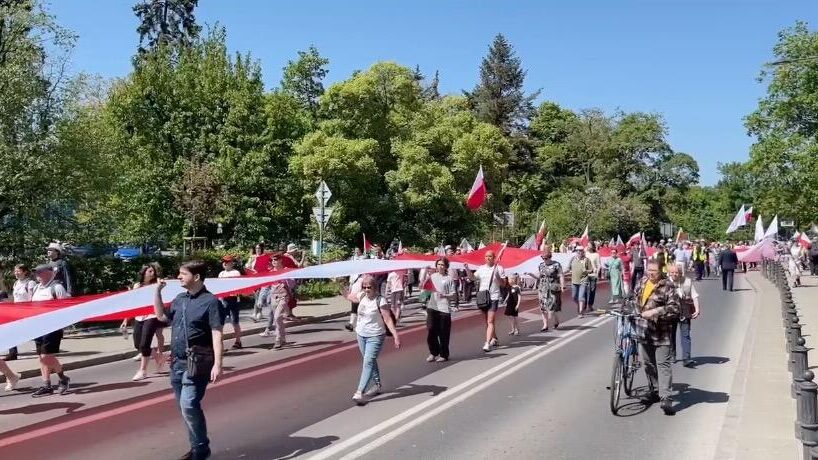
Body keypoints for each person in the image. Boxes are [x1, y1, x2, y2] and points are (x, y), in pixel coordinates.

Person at [153, 261, 223, 460]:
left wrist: (218, 364)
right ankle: (196, 448)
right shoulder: (179, 299)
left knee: (189, 405)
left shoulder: (210, 302)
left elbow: (217, 333)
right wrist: (157, 292)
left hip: (197, 363)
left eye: (183, 273)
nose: (178, 277)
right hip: (176, 363)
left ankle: (201, 449)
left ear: (197, 277)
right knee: (185, 409)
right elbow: (161, 316)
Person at [634, 260, 680, 416]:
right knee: (647, 363)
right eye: (649, 270)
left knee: (663, 365)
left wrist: (656, 311)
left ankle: (666, 398)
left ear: (661, 271)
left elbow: (675, 309)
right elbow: (634, 301)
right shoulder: (642, 282)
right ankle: (654, 390)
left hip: (661, 333)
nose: (650, 273)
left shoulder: (668, 286)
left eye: (654, 270)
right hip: (643, 331)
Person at [352, 274, 400, 405]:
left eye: (369, 287)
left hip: (376, 335)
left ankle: (359, 391)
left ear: (375, 288)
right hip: (361, 334)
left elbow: (388, 319)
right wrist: (339, 285)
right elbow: (349, 297)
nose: (367, 289)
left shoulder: (380, 300)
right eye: (365, 287)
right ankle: (377, 385)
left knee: (368, 362)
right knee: (370, 361)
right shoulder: (362, 296)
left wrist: (395, 335)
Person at [31, 264, 72, 397]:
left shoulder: (57, 287)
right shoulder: (37, 287)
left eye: (40, 272)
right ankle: (47, 385)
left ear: (50, 272)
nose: (37, 274)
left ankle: (63, 378)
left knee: (46, 356)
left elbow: (66, 307)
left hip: (52, 327)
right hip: (37, 327)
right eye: (36, 272)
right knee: (41, 358)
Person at [129, 263, 166, 381]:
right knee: (138, 343)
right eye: (150, 271)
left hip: (152, 316)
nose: (153, 273)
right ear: (144, 272)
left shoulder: (156, 284)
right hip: (139, 316)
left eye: (153, 271)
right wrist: (126, 319)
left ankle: (142, 370)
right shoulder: (137, 285)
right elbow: (132, 302)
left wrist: (161, 286)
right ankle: (158, 357)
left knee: (145, 344)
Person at [465, 250, 507, 352]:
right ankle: (494, 338)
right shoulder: (481, 268)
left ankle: (487, 343)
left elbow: (504, 284)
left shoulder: (499, 268)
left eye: (490, 256)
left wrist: (498, 277)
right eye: (486, 256)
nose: (488, 258)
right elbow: (473, 278)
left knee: (490, 321)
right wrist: (467, 269)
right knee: (487, 321)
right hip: (483, 297)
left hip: (493, 297)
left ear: (494, 257)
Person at [668, 263, 701, 367]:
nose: (674, 274)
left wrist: (697, 308)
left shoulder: (687, 281)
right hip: (670, 312)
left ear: (680, 273)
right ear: (669, 273)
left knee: (685, 335)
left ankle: (687, 358)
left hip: (685, 310)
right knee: (670, 335)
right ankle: (672, 355)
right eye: (672, 272)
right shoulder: (665, 282)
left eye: (676, 272)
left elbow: (694, 295)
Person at [259, 253, 294, 349]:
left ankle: (278, 339)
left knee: (277, 316)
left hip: (284, 296)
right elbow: (265, 286)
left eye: (275, 259)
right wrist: (260, 299)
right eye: (272, 260)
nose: (273, 261)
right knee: (277, 320)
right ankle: (283, 339)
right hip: (274, 297)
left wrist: (285, 281)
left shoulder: (286, 271)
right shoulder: (271, 272)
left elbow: (292, 284)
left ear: (280, 260)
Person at [425, 258, 456, 362]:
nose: (440, 266)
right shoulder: (432, 277)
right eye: (438, 264)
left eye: (442, 264)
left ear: (446, 266)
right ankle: (433, 352)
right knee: (431, 332)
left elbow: (454, 295)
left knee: (443, 333)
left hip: (444, 309)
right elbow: (425, 289)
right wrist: (426, 273)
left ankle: (443, 354)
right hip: (432, 307)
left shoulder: (449, 279)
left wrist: (445, 295)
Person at [527, 247, 565, 332]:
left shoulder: (556, 265)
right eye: (543, 258)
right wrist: (531, 275)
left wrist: (563, 286)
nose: (544, 260)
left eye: (546, 258)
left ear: (550, 257)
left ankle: (556, 320)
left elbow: (561, 275)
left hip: (553, 288)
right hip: (542, 288)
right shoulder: (541, 265)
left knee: (552, 306)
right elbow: (539, 277)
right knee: (543, 307)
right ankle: (545, 325)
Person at [8, 264, 36, 360]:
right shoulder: (16, 283)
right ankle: (13, 353)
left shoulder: (30, 283)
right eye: (15, 271)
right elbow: (15, 298)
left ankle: (44, 350)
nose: (16, 273)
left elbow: (33, 298)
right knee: (10, 330)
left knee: (35, 332)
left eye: (18, 271)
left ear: (25, 272)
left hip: (27, 311)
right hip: (16, 311)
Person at [218, 256, 243, 350]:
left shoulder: (235, 272)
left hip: (233, 299)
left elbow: (235, 285)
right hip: (223, 299)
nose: (224, 263)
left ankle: (238, 341)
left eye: (227, 262)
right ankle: (219, 344)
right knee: (220, 322)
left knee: (234, 321)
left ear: (231, 263)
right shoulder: (221, 273)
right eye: (223, 262)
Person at [569, 248, 592, 316]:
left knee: (581, 296)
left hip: (583, 280)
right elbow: (568, 268)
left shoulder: (586, 260)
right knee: (574, 297)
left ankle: (581, 311)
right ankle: (579, 306)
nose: (579, 252)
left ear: (583, 252)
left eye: (580, 251)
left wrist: (586, 271)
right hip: (574, 281)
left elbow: (591, 270)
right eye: (578, 251)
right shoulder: (573, 259)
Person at [585, 243, 601, 310]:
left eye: (589, 245)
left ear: (593, 247)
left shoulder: (596, 255)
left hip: (593, 275)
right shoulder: (585, 253)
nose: (588, 246)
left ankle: (590, 304)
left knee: (592, 290)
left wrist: (597, 274)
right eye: (587, 245)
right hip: (585, 274)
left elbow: (598, 265)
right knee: (584, 290)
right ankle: (584, 305)